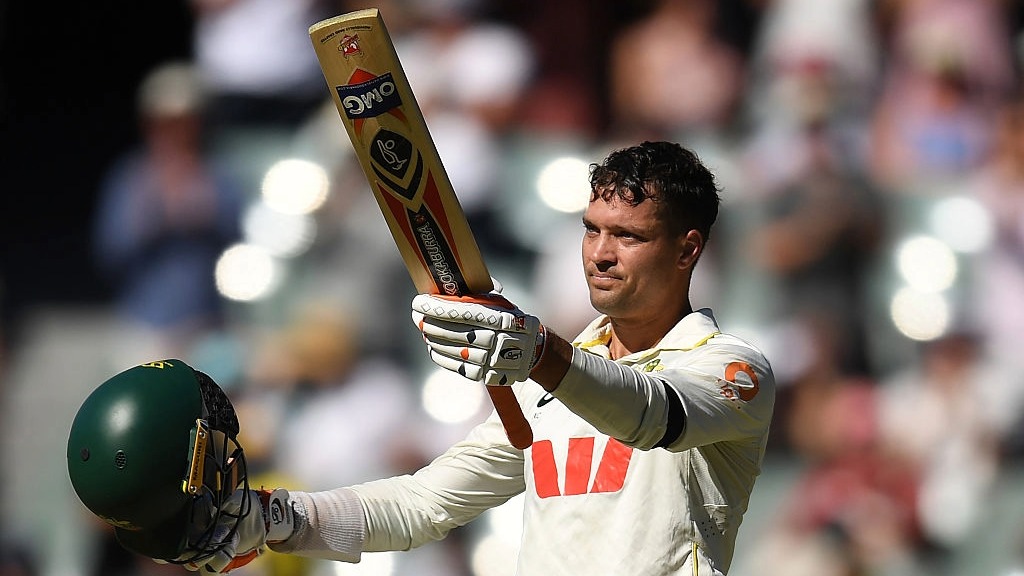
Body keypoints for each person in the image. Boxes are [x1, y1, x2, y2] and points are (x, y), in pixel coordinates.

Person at [72, 141, 776, 575]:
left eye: (628, 236)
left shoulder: (730, 370)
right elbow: (422, 504)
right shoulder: (548, 389)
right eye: (591, 229)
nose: (598, 252)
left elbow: (650, 415)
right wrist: (270, 518)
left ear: (687, 250)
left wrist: (534, 351)